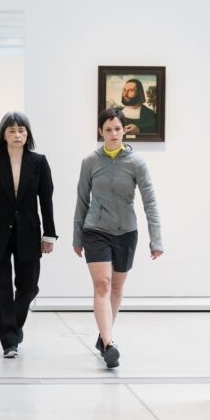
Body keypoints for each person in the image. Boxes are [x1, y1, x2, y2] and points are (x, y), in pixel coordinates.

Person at [73, 108, 163, 369]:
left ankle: (104, 336)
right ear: (100, 131)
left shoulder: (137, 163)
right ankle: (110, 345)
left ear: (125, 130)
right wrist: (77, 235)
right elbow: (81, 200)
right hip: (95, 230)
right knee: (102, 284)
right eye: (108, 129)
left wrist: (156, 239)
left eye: (117, 129)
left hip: (126, 232)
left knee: (117, 288)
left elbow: (150, 203)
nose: (113, 134)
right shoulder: (90, 161)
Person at [0, 112, 57, 358]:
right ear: (3, 135)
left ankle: (13, 327)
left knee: (29, 286)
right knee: (0, 288)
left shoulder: (39, 162)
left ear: (28, 134)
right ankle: (9, 341)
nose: (17, 135)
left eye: (21, 130)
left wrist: (49, 235)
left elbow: (46, 201)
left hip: (29, 232)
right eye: (11, 131)